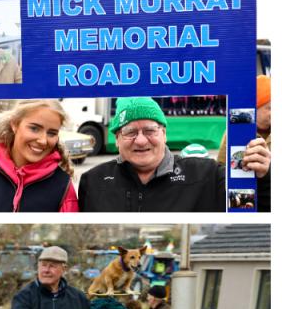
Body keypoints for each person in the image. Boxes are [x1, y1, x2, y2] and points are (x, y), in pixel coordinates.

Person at [79, 97, 232, 212]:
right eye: (130, 132)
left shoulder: (209, 175)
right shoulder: (93, 182)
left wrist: (247, 169)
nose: (140, 141)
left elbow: (243, 201)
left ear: (164, 134)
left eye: (150, 131)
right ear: (117, 139)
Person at [217, 75, 271, 211]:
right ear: (255, 108)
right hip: (244, 203)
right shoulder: (234, 132)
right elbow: (221, 168)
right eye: (269, 108)